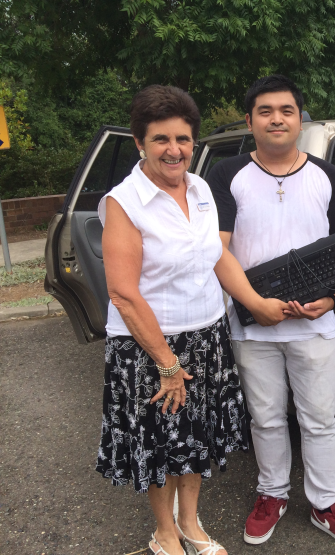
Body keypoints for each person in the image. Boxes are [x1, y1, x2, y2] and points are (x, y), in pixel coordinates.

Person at [96, 85, 287, 555]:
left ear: (193, 143)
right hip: (148, 346)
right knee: (161, 443)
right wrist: (165, 361)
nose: (174, 149)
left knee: (195, 436)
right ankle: (164, 534)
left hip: (207, 335)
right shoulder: (124, 202)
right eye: (161, 139)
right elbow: (123, 292)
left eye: (183, 139)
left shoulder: (199, 188)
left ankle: (190, 521)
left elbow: (216, 257)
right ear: (140, 143)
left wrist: (255, 302)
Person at [206, 75, 335, 551]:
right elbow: (218, 251)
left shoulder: (328, 177)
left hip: (315, 325)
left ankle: (327, 502)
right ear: (250, 120)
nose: (276, 118)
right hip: (253, 325)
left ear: (301, 117)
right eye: (265, 111)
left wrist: (334, 298)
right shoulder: (227, 174)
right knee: (266, 419)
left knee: (319, 419)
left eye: (286, 110)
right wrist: (256, 304)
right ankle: (272, 494)